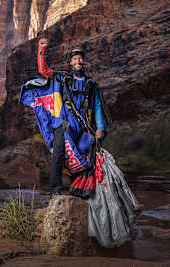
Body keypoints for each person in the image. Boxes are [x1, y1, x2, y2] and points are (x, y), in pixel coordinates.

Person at [37, 38, 111, 196]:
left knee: (82, 157)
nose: (78, 61)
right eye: (74, 59)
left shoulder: (91, 84)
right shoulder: (64, 78)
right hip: (64, 124)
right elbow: (44, 71)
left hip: (83, 126)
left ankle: (78, 189)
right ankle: (54, 189)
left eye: (80, 58)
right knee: (58, 154)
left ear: (83, 61)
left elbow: (97, 106)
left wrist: (100, 128)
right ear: (71, 63)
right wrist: (42, 50)